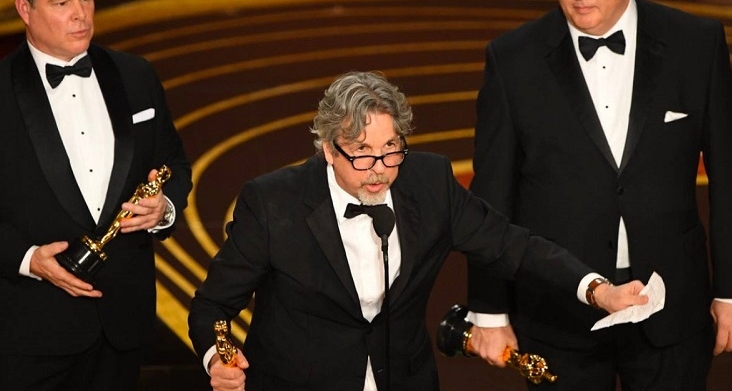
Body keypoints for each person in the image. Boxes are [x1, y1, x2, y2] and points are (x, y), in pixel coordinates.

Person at [187, 70, 648, 391]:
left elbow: (514, 246)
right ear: (328, 150)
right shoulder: (272, 203)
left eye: (391, 149)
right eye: (361, 153)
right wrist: (217, 359)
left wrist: (598, 291)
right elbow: (213, 306)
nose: (379, 169)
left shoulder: (429, 184)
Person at [469, 0, 732, 389]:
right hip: (556, 312)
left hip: (672, 305)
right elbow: (492, 196)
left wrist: (728, 290)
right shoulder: (513, 58)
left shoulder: (696, 44)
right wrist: (489, 311)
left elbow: (727, 176)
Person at [0, 0, 192, 390]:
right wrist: (28, 260)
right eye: (61, 3)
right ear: (24, 8)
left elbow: (175, 165)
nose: (81, 15)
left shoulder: (137, 75)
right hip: (30, 335)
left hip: (123, 329)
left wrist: (163, 209)